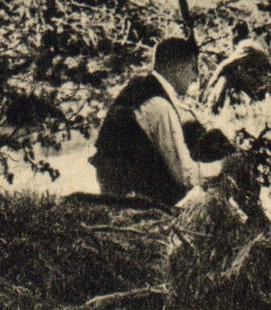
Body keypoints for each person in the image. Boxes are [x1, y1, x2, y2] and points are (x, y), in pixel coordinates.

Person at [92, 35, 241, 206]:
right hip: (133, 201)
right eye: (193, 68)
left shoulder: (141, 89)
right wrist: (225, 165)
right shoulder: (159, 106)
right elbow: (186, 175)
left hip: (119, 190)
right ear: (175, 67)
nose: (196, 76)